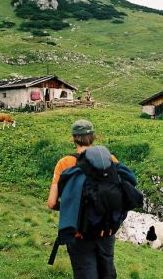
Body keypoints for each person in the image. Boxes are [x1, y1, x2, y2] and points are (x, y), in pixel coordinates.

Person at [47, 119, 119, 279]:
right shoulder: (110, 159)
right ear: (93, 136)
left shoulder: (64, 163)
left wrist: (71, 206)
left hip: (79, 234)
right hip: (105, 232)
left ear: (73, 138)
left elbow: (51, 203)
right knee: (107, 274)